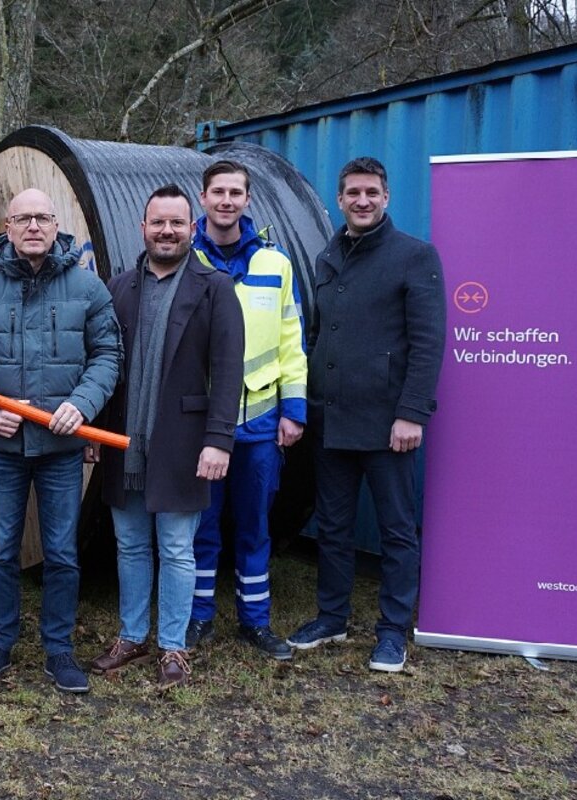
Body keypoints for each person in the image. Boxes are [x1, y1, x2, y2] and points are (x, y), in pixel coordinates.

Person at [0, 188, 121, 694]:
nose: (33, 227)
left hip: (61, 450)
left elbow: (107, 355)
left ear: (56, 224)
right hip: (2, 450)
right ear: (6, 226)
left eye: (42, 218)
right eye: (22, 218)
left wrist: (82, 405)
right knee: (0, 549)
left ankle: (59, 650)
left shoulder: (88, 289)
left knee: (63, 552)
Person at [286, 157, 446, 673]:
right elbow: (316, 335)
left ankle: (392, 632)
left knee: (397, 531)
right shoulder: (327, 256)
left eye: (371, 192)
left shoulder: (415, 257)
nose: (362, 200)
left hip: (387, 426)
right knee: (333, 527)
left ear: (386, 197)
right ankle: (332, 618)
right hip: (330, 422)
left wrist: (412, 414)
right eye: (353, 192)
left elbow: (427, 344)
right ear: (340, 199)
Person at [87, 185, 244, 689]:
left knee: (177, 547)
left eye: (177, 223)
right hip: (122, 441)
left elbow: (227, 369)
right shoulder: (119, 288)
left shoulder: (214, 286)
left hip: (183, 441)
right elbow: (103, 367)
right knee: (130, 544)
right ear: (143, 227)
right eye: (158, 222)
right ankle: (132, 637)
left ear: (192, 229)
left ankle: (173, 646)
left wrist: (219, 441)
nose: (167, 231)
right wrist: (93, 431)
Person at [184, 160, 308, 661]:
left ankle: (255, 622)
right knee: (200, 524)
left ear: (248, 200)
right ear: (204, 197)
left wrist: (294, 410)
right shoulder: (186, 259)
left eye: (236, 192)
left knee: (256, 525)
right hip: (201, 421)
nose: (227, 201)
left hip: (259, 421)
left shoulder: (275, 264)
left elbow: (291, 342)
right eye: (218, 192)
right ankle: (197, 618)